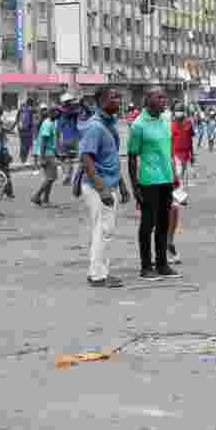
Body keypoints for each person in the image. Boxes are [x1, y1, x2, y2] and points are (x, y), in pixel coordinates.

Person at [79, 87, 130, 288]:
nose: (118, 100)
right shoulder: (95, 127)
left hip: (108, 185)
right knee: (103, 231)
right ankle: (98, 275)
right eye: (113, 97)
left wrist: (122, 186)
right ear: (100, 101)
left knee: (103, 230)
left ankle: (99, 271)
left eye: (119, 96)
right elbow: (86, 158)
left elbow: (111, 159)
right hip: (98, 187)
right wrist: (102, 189)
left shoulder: (109, 124)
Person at [127, 89, 180, 280]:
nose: (164, 100)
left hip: (166, 180)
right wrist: (135, 187)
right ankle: (145, 267)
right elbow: (132, 157)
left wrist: (174, 175)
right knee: (147, 224)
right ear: (147, 100)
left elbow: (167, 152)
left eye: (165, 97)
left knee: (164, 224)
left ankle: (162, 264)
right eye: (159, 97)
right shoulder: (138, 125)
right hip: (148, 181)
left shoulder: (164, 121)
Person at [31, 107, 59, 207]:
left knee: (49, 178)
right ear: (51, 113)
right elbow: (43, 141)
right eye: (56, 112)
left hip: (48, 153)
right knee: (51, 178)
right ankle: (36, 196)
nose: (58, 114)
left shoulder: (49, 122)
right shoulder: (48, 124)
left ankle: (45, 200)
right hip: (47, 154)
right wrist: (42, 157)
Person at [56, 93, 84, 187]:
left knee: (63, 158)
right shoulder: (75, 111)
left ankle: (66, 174)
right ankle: (68, 175)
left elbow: (58, 129)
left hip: (65, 137)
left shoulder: (61, 113)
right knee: (70, 159)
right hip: (74, 137)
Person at [171, 103, 196, 181]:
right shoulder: (172, 124)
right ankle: (178, 185)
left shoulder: (188, 123)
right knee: (179, 171)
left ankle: (179, 185)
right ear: (174, 112)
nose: (179, 112)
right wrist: (170, 154)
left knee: (183, 171)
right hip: (176, 152)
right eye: (177, 111)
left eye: (180, 110)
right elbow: (170, 140)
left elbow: (191, 139)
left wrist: (192, 154)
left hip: (186, 152)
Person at [18, 98, 37, 164]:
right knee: (27, 145)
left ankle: (22, 159)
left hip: (21, 130)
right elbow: (32, 121)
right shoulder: (30, 109)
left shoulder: (22, 109)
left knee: (23, 145)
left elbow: (17, 120)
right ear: (31, 103)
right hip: (27, 130)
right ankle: (24, 160)